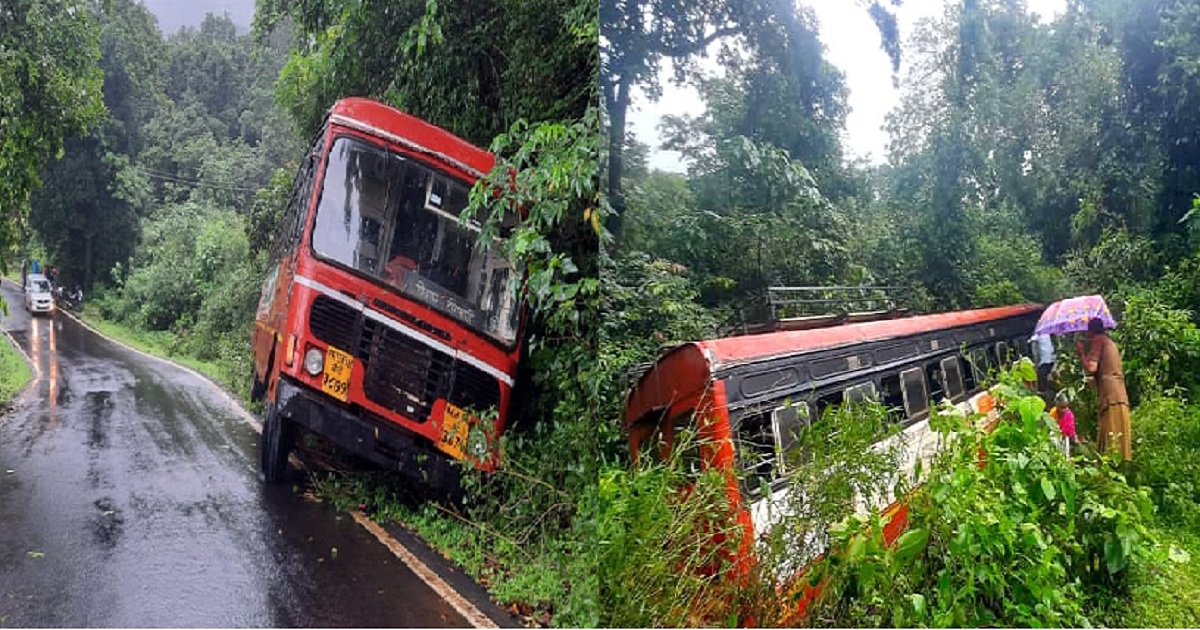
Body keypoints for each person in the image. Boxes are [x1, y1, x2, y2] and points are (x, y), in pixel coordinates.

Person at [1077, 317, 1131, 461]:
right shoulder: (1110, 342)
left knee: (1111, 432)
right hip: (1119, 392)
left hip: (1110, 396)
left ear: (1090, 332)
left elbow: (1091, 367)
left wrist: (1081, 353)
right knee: (1119, 433)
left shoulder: (1098, 341)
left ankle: (1110, 464)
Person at [1049, 390, 1077, 457]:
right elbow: (1050, 425)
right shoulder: (1053, 412)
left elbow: (1071, 429)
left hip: (1065, 436)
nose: (1064, 410)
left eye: (1066, 407)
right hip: (1055, 434)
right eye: (1062, 407)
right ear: (1057, 405)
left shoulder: (1069, 415)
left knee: (1065, 454)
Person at [1031, 332, 1055, 400]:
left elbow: (1034, 350)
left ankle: (1044, 393)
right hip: (1046, 361)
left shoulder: (1039, 335)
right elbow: (1035, 350)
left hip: (1049, 361)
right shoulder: (1038, 335)